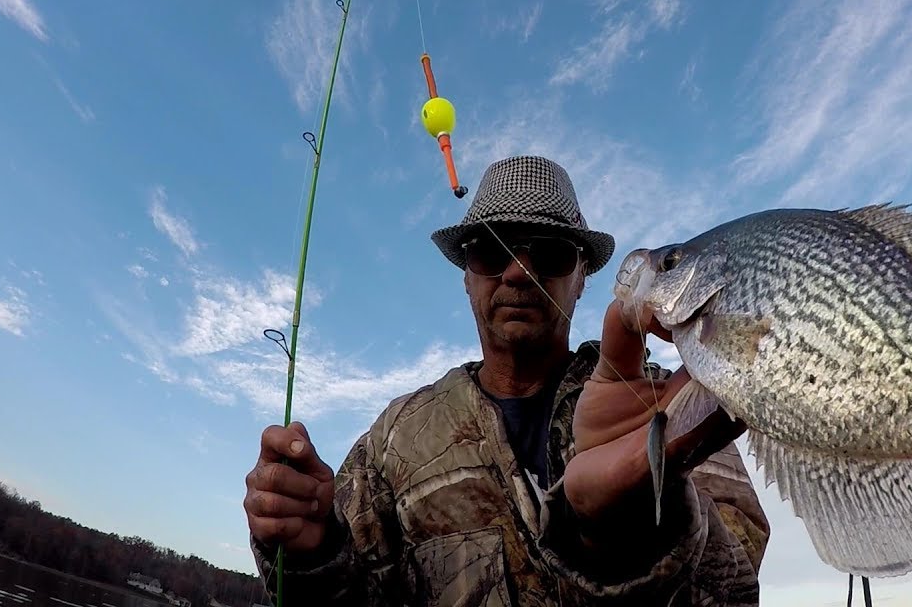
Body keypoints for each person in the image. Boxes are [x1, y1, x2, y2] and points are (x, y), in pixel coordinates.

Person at [244, 155, 770, 605]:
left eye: (551, 253)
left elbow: (739, 585)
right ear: (467, 276)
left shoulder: (677, 402)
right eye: (492, 252)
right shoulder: (394, 439)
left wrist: (634, 530)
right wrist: (311, 553)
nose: (518, 272)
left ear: (583, 277)